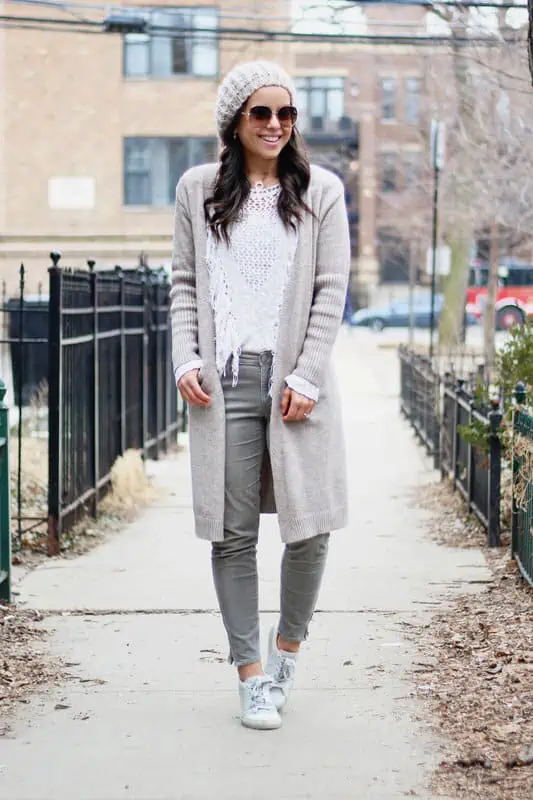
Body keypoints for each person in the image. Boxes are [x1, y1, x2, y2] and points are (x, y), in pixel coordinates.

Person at [170, 60, 350, 731]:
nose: (275, 125)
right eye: (260, 113)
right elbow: (184, 285)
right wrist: (186, 355)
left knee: (311, 527)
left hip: (295, 383)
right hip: (225, 382)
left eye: (285, 114)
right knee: (232, 532)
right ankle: (248, 676)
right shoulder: (197, 191)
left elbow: (331, 290)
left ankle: (285, 658)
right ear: (235, 122)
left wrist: (306, 374)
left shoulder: (321, 193)